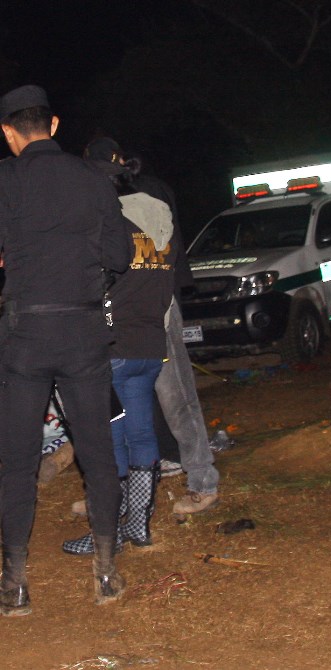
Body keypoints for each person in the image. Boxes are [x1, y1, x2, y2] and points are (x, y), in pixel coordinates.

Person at [0, 84, 132, 615]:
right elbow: (119, 256)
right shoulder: (92, 178)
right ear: (52, 126)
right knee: (97, 455)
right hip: (82, 336)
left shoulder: (5, 179)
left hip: (23, 338)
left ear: (8, 131)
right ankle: (105, 573)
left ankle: (15, 586)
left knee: (15, 462)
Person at [84, 138, 220, 516]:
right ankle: (124, 492)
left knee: (164, 400)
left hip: (139, 313)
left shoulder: (109, 211)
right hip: (157, 307)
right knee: (144, 405)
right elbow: (171, 257)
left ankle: (202, 482)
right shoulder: (155, 203)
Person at [62, 148, 176, 555]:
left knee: (105, 444)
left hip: (112, 350)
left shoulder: (110, 226)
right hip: (149, 348)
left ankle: (106, 534)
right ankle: (139, 526)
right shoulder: (162, 223)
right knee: (142, 434)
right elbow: (166, 288)